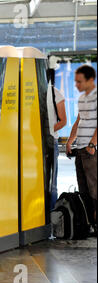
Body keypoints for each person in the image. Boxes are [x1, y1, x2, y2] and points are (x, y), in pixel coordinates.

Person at [66, 64, 97, 223]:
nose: (76, 85)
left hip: (91, 150)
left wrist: (92, 144)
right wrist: (70, 141)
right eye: (76, 82)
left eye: (79, 82)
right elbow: (79, 121)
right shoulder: (82, 98)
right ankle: (89, 223)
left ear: (90, 80)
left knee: (94, 189)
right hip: (80, 149)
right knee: (83, 188)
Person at [46, 73, 67, 210]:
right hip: (30, 141)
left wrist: (48, 131)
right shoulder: (29, 91)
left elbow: (63, 121)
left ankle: (52, 214)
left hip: (50, 141)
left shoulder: (55, 93)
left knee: (51, 180)